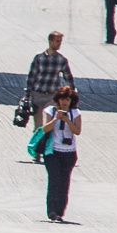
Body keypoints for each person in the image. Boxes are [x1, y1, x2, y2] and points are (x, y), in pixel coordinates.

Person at [38, 85, 82, 223]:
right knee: (54, 180)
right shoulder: (50, 111)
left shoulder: (75, 113)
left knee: (64, 182)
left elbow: (77, 131)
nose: (64, 102)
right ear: (58, 99)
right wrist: (56, 118)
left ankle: (59, 212)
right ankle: (51, 210)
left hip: (69, 153)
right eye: (63, 99)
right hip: (53, 152)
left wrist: (67, 120)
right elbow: (45, 128)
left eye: (67, 99)